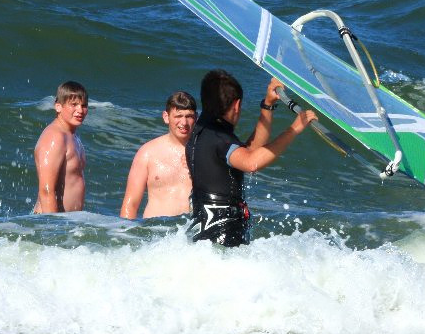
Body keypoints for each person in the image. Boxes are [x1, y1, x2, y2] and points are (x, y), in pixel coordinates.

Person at [186, 70, 317, 247]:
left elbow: (249, 151)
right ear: (237, 105)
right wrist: (294, 129)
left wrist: (268, 106)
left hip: (204, 233)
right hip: (224, 235)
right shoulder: (219, 138)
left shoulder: (201, 132)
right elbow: (251, 162)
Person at [120, 91, 198, 219]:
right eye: (178, 116)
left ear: (196, 117)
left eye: (189, 116)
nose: (184, 122)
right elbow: (131, 204)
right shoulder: (147, 153)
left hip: (190, 232)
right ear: (166, 117)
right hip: (154, 231)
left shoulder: (204, 153)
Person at [33, 81, 89, 213]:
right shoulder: (55, 137)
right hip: (50, 223)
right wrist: (53, 229)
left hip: (67, 223)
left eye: (84, 105)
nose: (80, 110)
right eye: (74, 105)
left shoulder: (72, 136)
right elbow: (46, 190)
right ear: (58, 106)